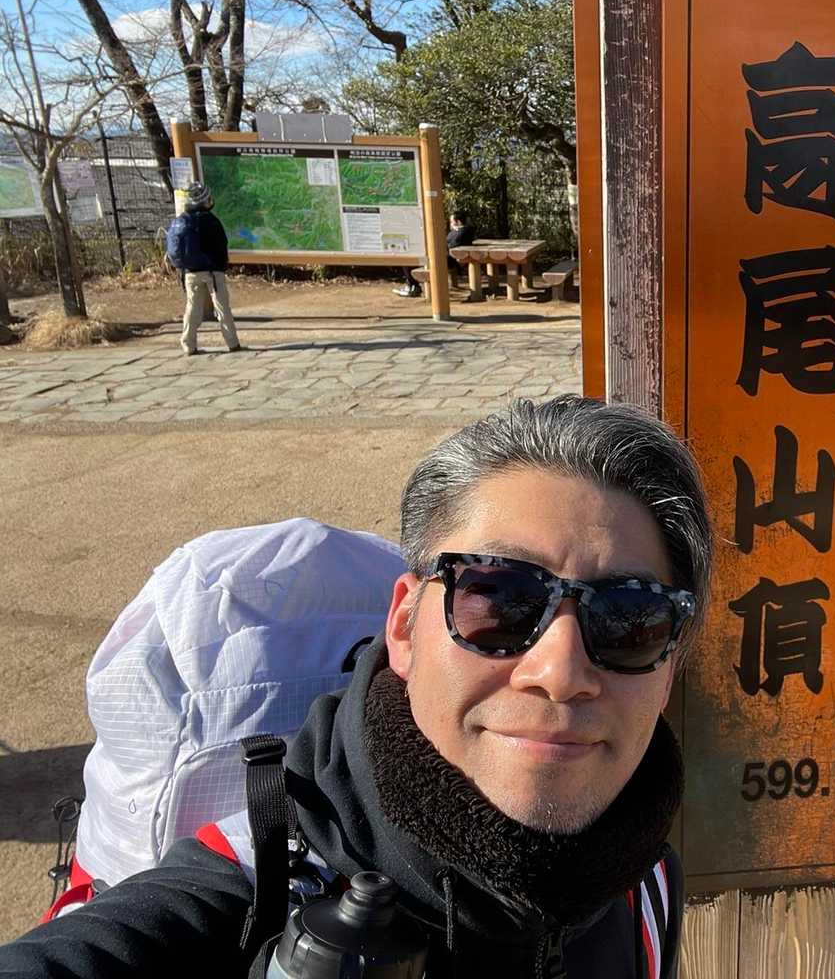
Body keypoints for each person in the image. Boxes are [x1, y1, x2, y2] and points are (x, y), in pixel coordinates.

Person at [0, 396, 712, 978]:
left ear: (670, 666)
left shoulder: (640, 876)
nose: (559, 672)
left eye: (630, 618)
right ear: (403, 626)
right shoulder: (245, 893)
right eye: (498, 599)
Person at [165, 182, 243, 355]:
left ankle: (188, 345)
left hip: (190, 272)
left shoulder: (181, 220)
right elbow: (221, 245)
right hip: (213, 271)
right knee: (222, 308)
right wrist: (222, 265)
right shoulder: (211, 221)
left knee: (192, 308)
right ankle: (232, 343)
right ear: (205, 200)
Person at [395, 212, 475, 297]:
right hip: (446, 258)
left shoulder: (461, 232)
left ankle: (413, 287)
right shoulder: (461, 231)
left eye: (452, 222)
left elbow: (450, 245)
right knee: (410, 262)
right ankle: (412, 286)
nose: (451, 224)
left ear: (458, 222)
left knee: (408, 263)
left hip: (445, 260)